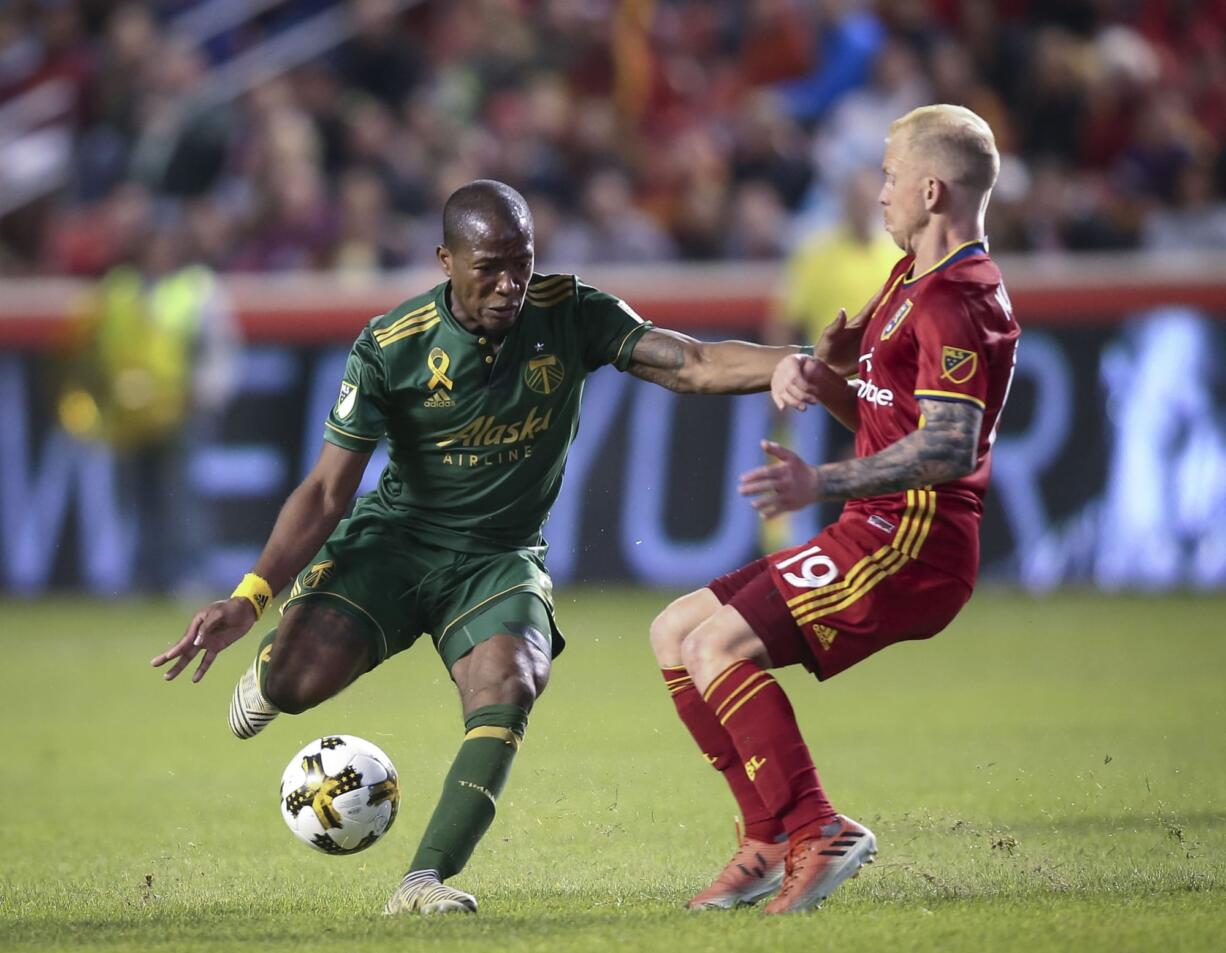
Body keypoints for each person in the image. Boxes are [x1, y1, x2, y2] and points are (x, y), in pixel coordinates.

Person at [151, 180, 808, 916]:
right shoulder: (391, 346)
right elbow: (327, 491)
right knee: (296, 684)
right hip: (396, 543)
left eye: (521, 264)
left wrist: (801, 363)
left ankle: (423, 880)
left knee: (512, 682)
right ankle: (273, 676)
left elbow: (689, 361)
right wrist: (251, 595)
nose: (508, 285)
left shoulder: (571, 311)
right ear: (445, 260)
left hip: (499, 557)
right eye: (490, 266)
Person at [649, 104, 1019, 915]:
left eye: (889, 177)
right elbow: (893, 416)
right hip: (874, 525)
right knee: (675, 631)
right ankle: (769, 836)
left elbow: (951, 447)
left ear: (930, 188)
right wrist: (828, 384)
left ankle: (819, 827)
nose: (877, 192)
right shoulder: (906, 278)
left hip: (916, 540)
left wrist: (821, 484)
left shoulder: (963, 299)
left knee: (719, 645)